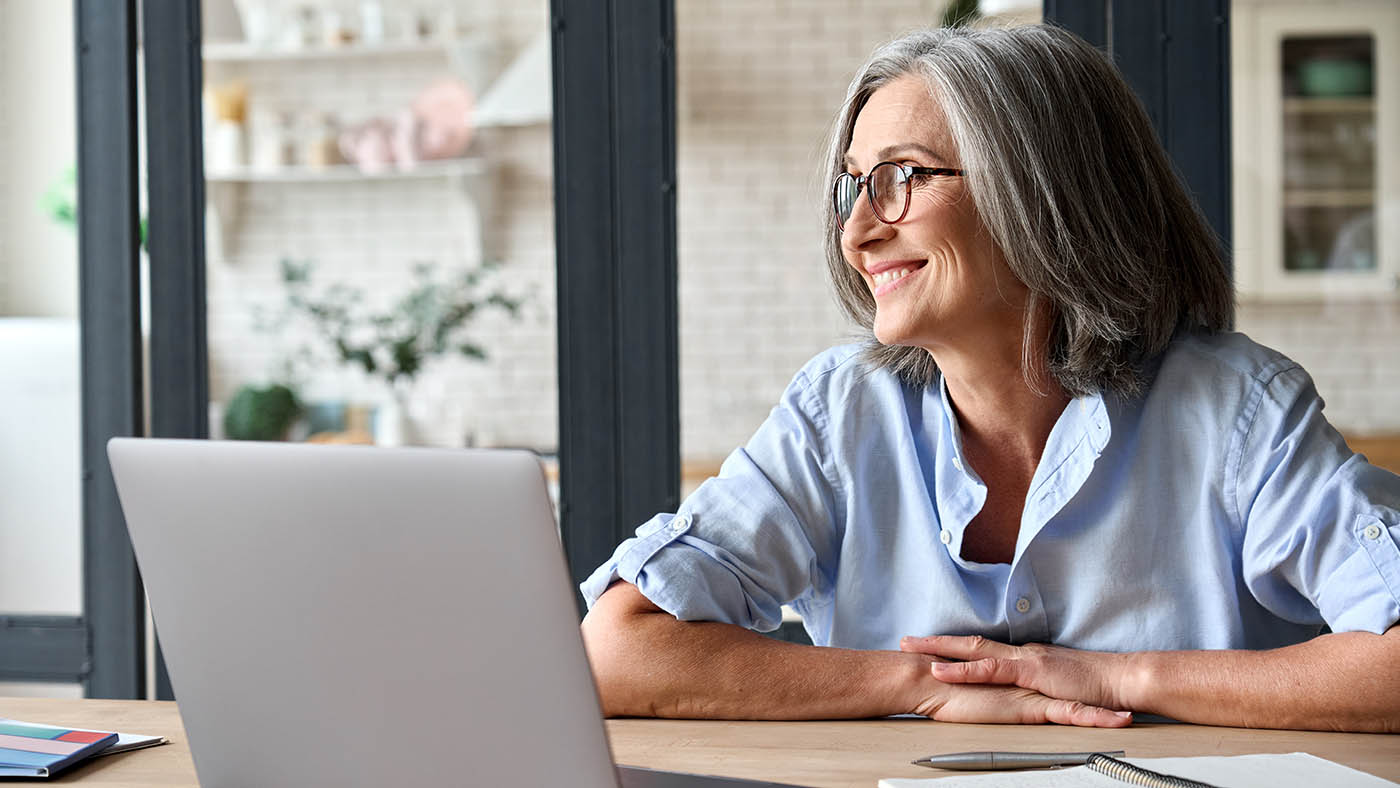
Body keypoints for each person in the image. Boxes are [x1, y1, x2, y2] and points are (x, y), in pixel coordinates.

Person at [578, 23, 1400, 732]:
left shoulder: (1237, 411)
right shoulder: (841, 412)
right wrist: (924, 689)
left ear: (1043, 191)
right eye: (851, 188)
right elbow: (618, 648)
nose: (859, 231)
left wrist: (1115, 677)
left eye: (901, 177)